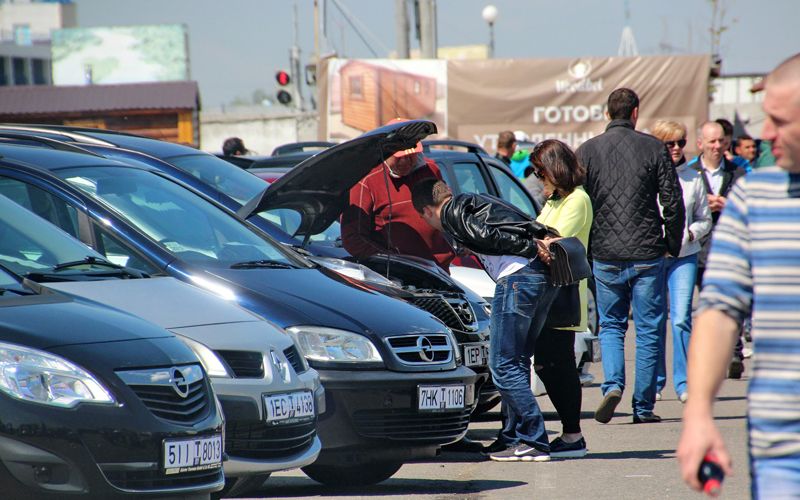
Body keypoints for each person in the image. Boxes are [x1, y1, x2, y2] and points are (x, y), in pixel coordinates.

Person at [677, 52, 800, 498]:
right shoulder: (756, 198)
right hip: (782, 452)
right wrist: (698, 416)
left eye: (779, 120)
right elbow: (719, 310)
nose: (764, 134)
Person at [411, 178, 558, 462]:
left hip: (517, 277)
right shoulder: (471, 202)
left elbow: (487, 237)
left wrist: (529, 247)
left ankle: (534, 439)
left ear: (427, 211)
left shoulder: (451, 212)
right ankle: (513, 437)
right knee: (515, 362)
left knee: (502, 364)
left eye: (424, 218)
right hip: (537, 277)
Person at [576, 87, 685, 425]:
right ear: (635, 112)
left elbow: (578, 202)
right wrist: (672, 242)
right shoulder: (653, 147)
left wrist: (586, 247)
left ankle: (612, 384)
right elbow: (672, 200)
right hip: (647, 251)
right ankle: (642, 406)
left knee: (610, 325)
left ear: (608, 113)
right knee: (650, 329)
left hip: (605, 252)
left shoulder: (589, 150)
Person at [529, 139, 593, 457]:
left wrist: (535, 238)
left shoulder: (577, 201)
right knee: (547, 364)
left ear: (555, 169)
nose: (539, 179)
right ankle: (570, 434)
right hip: (550, 292)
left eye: (541, 172)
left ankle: (573, 436)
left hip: (564, 295)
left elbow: (550, 242)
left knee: (560, 365)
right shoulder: (557, 199)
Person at [341, 118, 456, 272]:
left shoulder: (431, 170)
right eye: (399, 156)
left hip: (438, 270)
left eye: (411, 155)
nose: (406, 161)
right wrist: (392, 262)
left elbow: (447, 213)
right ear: (386, 151)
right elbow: (353, 238)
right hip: (395, 276)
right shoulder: (366, 180)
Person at [650, 120, 712, 404]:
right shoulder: (647, 174)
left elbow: (704, 219)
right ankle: (656, 381)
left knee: (681, 319)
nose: (676, 148)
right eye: (669, 143)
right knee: (655, 319)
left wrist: (689, 233)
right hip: (653, 255)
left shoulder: (692, 177)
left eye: (680, 142)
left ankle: (683, 381)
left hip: (684, 256)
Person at [688, 121, 747, 379]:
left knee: (730, 303)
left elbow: (750, 210)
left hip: (729, 250)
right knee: (701, 308)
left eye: (720, 141)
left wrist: (728, 206)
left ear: (726, 143)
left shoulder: (738, 173)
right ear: (700, 143)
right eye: (711, 141)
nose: (716, 146)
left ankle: (734, 352)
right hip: (696, 251)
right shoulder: (689, 173)